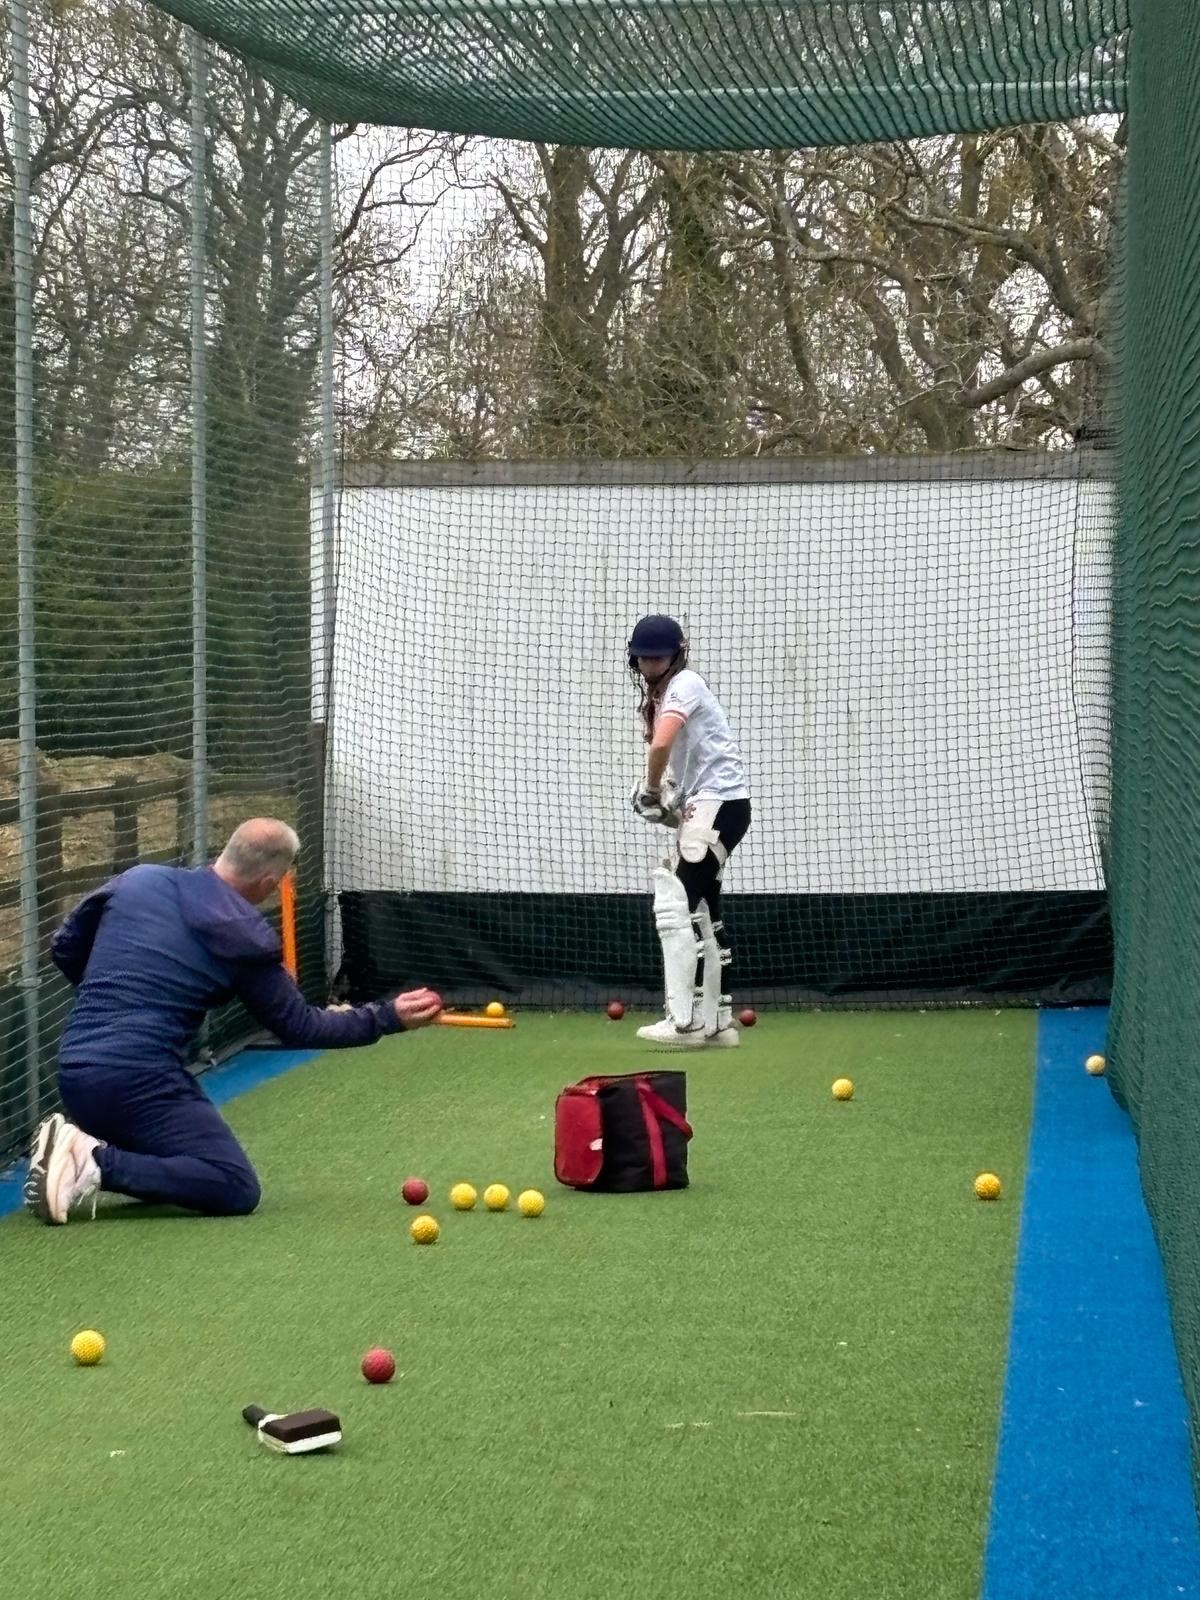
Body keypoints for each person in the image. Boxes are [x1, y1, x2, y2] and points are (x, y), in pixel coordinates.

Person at [23, 817, 442, 1226]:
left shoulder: (138, 880)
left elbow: (65, 948)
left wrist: (116, 997)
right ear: (268, 882)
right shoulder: (244, 934)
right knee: (234, 1185)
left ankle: (81, 1153)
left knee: (179, 1159)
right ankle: (91, 1160)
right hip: (138, 1083)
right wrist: (389, 1017)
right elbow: (302, 1027)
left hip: (76, 1070)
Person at [628, 615, 751, 1047]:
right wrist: (668, 804)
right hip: (715, 805)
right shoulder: (667, 693)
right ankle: (716, 1021)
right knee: (703, 911)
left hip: (719, 804)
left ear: (677, 655)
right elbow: (689, 764)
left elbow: (661, 745)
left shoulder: (685, 684)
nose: (650, 664)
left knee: (677, 903)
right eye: (643, 657)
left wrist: (650, 789)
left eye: (657, 656)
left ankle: (684, 1021)